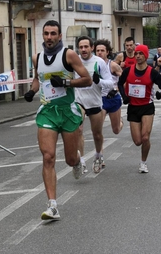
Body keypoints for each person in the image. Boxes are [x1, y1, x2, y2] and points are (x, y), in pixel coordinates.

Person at [23, 20, 92, 220]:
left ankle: (78, 160)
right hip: (47, 111)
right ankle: (52, 205)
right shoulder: (37, 57)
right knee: (48, 157)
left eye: (53, 33)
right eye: (46, 34)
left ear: (59, 36)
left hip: (68, 110)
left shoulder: (68, 55)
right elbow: (38, 78)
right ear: (42, 36)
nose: (50, 37)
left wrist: (66, 82)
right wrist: (31, 91)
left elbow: (87, 79)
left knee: (70, 160)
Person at [117, 45, 161, 173]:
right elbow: (119, 83)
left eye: (141, 53)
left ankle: (143, 162)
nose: (138, 56)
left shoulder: (152, 72)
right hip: (133, 108)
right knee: (137, 141)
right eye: (136, 54)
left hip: (147, 107)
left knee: (145, 137)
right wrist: (124, 96)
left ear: (146, 56)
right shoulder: (128, 71)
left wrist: (160, 94)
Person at [75, 36, 113, 174]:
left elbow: (110, 83)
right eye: (81, 47)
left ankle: (98, 155)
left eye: (86, 47)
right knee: (78, 130)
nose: (83, 50)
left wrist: (99, 81)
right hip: (79, 101)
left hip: (95, 101)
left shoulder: (99, 62)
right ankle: (82, 161)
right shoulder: (74, 61)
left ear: (92, 48)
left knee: (97, 134)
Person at [94, 39, 124, 136]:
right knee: (98, 129)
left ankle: (120, 121)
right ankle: (99, 150)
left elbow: (125, 81)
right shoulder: (92, 65)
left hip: (112, 98)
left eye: (102, 51)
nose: (99, 53)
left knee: (116, 130)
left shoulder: (113, 65)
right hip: (99, 100)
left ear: (107, 52)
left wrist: (116, 89)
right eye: (97, 50)